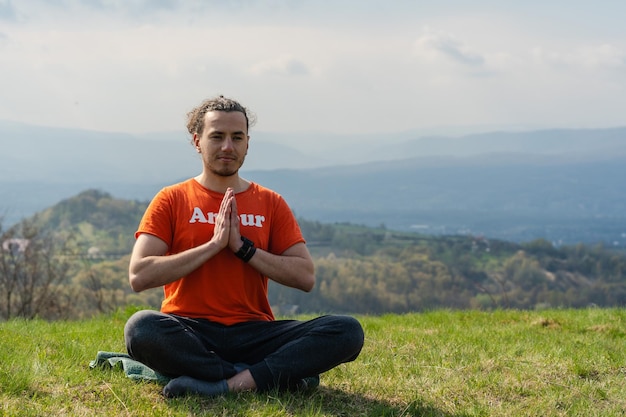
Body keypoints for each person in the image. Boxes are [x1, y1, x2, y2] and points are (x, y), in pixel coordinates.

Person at [124, 95, 364, 398]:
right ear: (197, 142)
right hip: (190, 331)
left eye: (237, 137)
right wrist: (213, 245)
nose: (228, 146)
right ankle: (261, 376)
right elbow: (140, 275)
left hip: (255, 332)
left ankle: (223, 383)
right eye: (217, 137)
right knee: (141, 328)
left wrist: (243, 249)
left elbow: (305, 277)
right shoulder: (172, 199)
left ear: (247, 143)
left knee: (346, 330)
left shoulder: (270, 202)